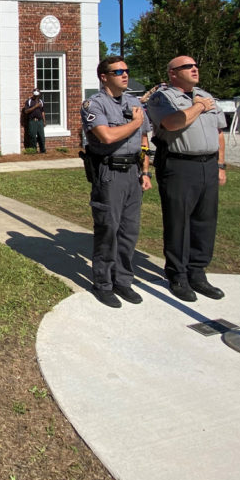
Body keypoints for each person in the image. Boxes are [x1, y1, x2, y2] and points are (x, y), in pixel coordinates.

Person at [146, 56, 228, 302]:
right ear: (173, 73)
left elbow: (219, 133)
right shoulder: (163, 98)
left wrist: (221, 165)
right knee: (178, 221)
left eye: (195, 66)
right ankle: (177, 275)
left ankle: (198, 272)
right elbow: (172, 123)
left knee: (205, 220)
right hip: (179, 165)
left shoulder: (205, 95)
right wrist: (201, 106)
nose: (194, 69)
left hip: (208, 165)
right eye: (187, 67)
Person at [81, 57, 152, 308]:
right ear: (104, 76)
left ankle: (123, 280)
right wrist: (134, 122)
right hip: (109, 173)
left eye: (126, 70)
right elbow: (107, 136)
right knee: (108, 230)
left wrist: (145, 171)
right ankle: (103, 283)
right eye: (118, 71)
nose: (125, 75)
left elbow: (143, 140)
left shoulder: (134, 102)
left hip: (133, 173)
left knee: (129, 231)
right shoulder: (94, 105)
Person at [23, 88, 46, 153]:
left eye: (37, 95)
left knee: (41, 136)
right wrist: (35, 106)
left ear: (39, 94)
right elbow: (26, 111)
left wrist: (44, 121)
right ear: (33, 94)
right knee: (32, 136)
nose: (36, 96)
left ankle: (43, 150)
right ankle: (33, 150)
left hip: (40, 121)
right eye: (35, 95)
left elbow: (42, 112)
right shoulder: (29, 101)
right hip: (32, 121)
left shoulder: (41, 101)